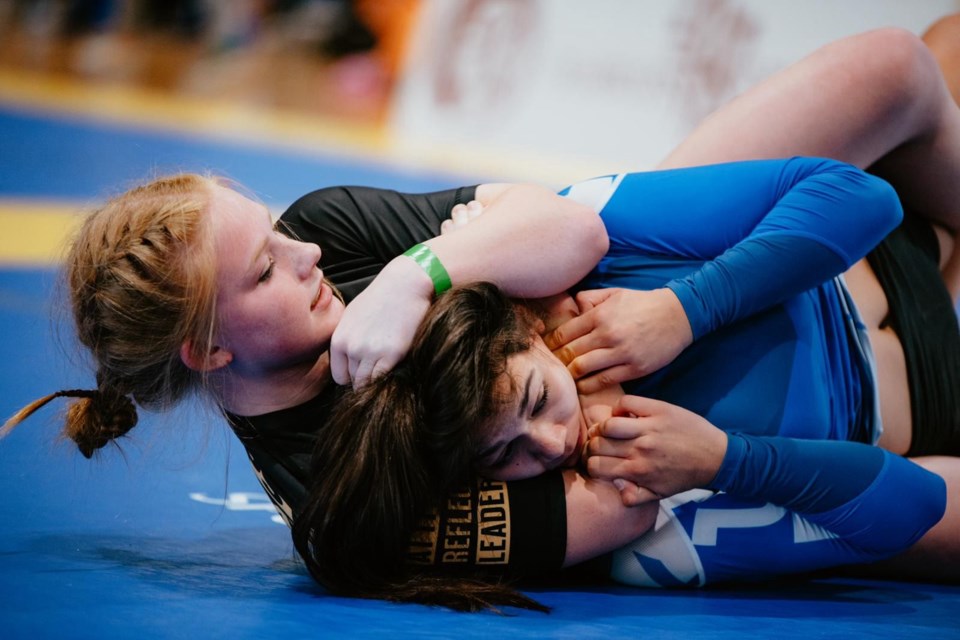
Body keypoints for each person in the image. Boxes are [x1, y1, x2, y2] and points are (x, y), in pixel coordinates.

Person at [3, 24, 959, 607]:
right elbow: (619, 504)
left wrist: (422, 271)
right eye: (265, 269)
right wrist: (697, 444)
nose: (303, 256)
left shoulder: (328, 240)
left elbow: (568, 233)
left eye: (273, 233)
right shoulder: (346, 500)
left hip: (749, 286)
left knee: (914, 64)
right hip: (812, 431)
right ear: (208, 348)